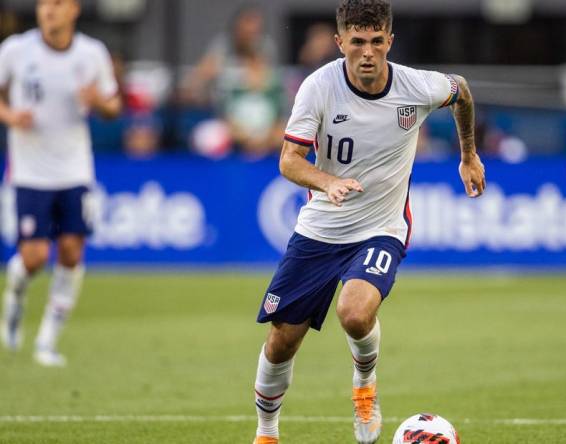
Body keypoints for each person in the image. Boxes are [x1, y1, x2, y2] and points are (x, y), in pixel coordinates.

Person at [251, 1, 485, 443]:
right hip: (320, 229)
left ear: (389, 42)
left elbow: (462, 91)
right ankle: (267, 432)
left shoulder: (415, 86)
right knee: (282, 341)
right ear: (340, 43)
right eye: (357, 42)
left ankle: (365, 386)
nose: (367, 52)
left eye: (376, 42)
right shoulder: (318, 88)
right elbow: (289, 160)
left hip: (382, 227)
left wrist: (468, 154)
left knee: (355, 313)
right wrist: (327, 182)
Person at [0, 0, 121, 367]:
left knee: (71, 252)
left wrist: (99, 101)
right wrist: (9, 115)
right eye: (43, 4)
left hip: (74, 170)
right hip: (30, 172)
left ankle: (47, 341)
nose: (47, 10)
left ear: (73, 9)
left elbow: (114, 107)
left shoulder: (91, 53)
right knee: (34, 257)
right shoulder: (16, 50)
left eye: (56, 3)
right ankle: (15, 298)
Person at [184, 3, 285, 159]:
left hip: (263, 124)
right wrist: (206, 76)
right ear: (238, 27)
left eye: (256, 29)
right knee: (209, 138)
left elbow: (274, 99)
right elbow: (195, 84)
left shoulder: (265, 47)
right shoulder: (222, 49)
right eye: (248, 27)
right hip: (229, 122)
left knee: (289, 135)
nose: (252, 33)